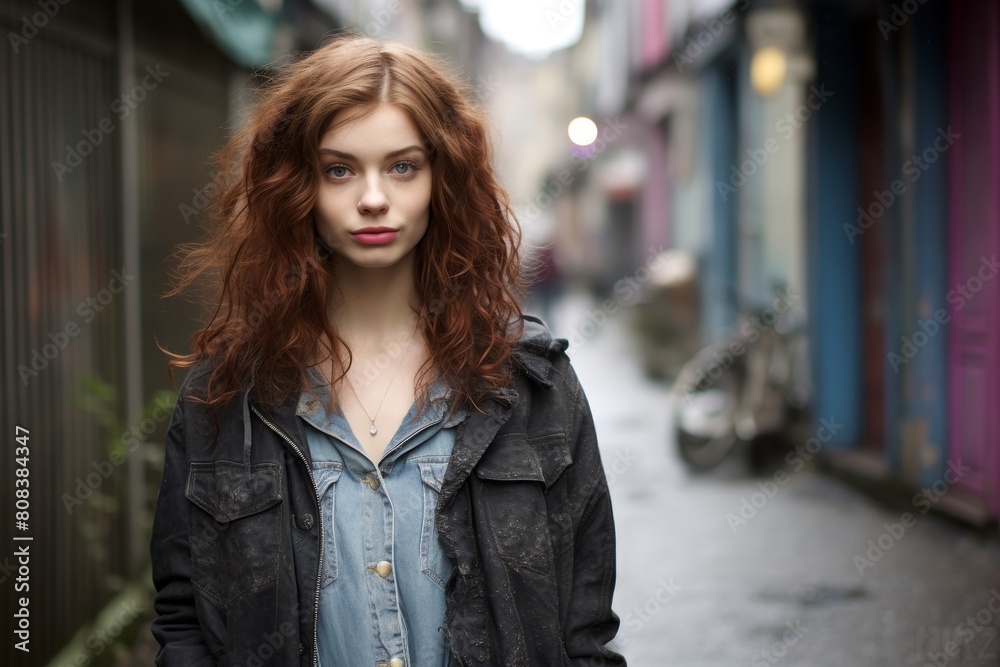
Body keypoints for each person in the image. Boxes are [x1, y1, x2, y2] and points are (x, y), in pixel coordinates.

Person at [150, 33, 625, 667]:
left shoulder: (533, 387)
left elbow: (584, 632)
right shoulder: (225, 397)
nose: (373, 197)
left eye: (402, 166)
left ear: (442, 179)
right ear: (298, 184)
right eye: (339, 169)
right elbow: (186, 625)